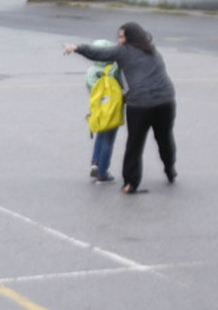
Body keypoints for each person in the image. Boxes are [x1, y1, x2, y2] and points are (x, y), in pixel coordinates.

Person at [64, 22, 177, 194]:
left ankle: (131, 183)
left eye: (122, 37)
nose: (119, 40)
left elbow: (99, 53)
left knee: (134, 144)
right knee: (164, 138)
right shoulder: (152, 50)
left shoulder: (123, 51)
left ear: (130, 38)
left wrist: (76, 47)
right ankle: (170, 170)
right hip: (166, 101)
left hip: (141, 103)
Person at [84, 39, 122, 184]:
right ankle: (102, 172)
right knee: (108, 140)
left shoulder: (91, 72)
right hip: (111, 108)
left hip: (97, 108)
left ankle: (95, 162)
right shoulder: (113, 70)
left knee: (100, 134)